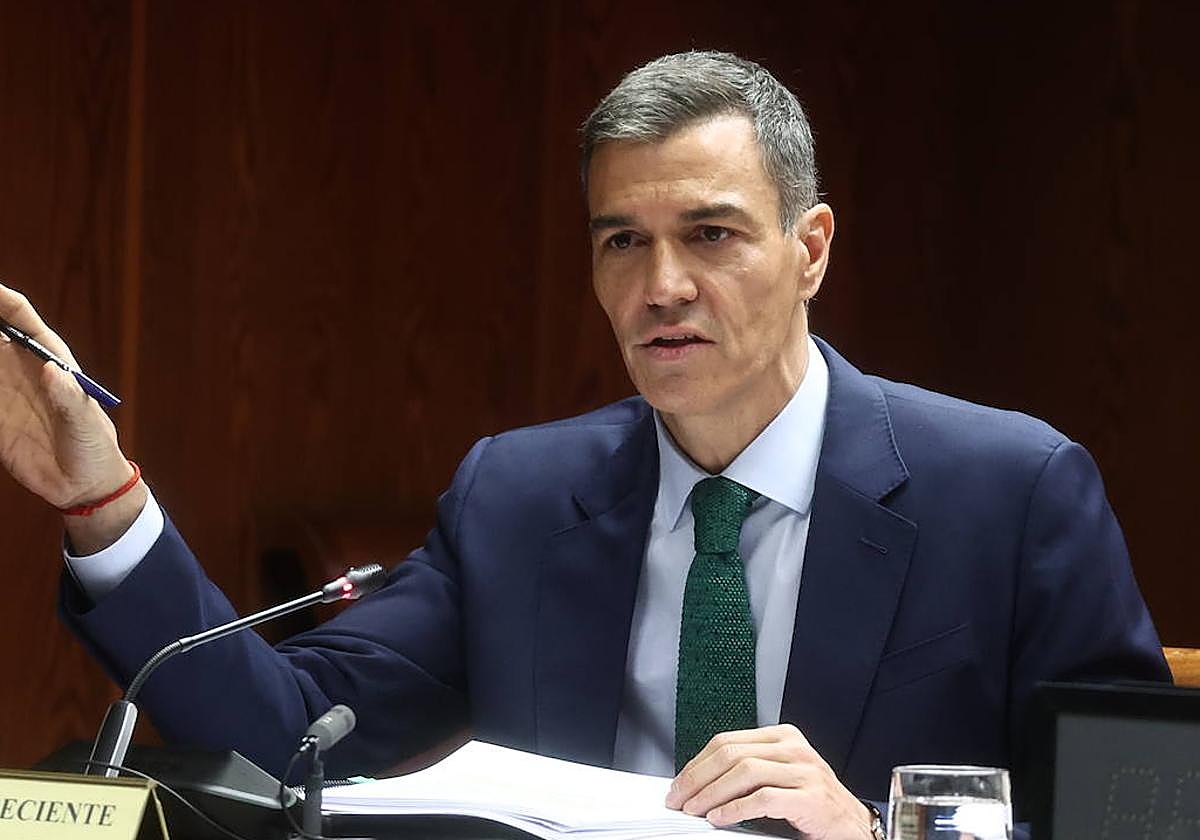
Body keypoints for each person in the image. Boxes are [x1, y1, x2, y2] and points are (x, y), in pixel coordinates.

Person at [0, 51, 1169, 840]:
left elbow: (1145, 821)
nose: (663, 286)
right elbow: (285, 733)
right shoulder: (518, 496)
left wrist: (878, 832)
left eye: (710, 234)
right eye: (623, 242)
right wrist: (101, 496)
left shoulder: (1013, 492)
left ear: (810, 248)